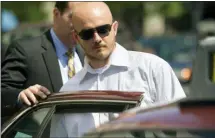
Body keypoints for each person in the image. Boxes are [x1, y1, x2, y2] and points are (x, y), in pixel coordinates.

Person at [50, 2, 186, 137]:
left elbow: (184, 126)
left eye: (103, 29)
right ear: (76, 37)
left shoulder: (152, 69)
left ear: (114, 28)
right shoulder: (69, 92)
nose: (97, 38)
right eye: (87, 33)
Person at [1, 2, 84, 120]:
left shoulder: (89, 54)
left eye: (84, 19)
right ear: (56, 13)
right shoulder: (25, 50)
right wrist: (19, 96)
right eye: (73, 17)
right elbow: (3, 93)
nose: (80, 24)